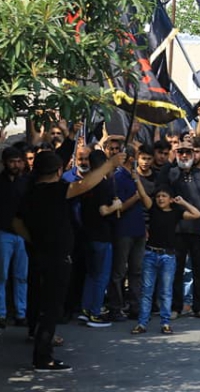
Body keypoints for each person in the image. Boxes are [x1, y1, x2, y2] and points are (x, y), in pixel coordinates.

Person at [14, 150, 123, 372]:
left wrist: (34, 240)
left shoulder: (30, 192)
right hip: (57, 257)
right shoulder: (56, 190)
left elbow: (16, 222)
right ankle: (43, 358)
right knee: (52, 308)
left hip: (39, 254)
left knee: (42, 302)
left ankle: (41, 346)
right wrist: (109, 164)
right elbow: (84, 185)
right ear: (58, 170)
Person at [157, 140, 200, 320]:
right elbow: (160, 189)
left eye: (188, 153)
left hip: (199, 230)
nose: (184, 156)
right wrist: (171, 160)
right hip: (177, 229)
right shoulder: (171, 173)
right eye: (181, 152)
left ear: (194, 155)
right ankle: (176, 307)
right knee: (176, 270)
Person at [132, 186, 200, 335]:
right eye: (158, 196)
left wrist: (182, 202)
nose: (160, 199)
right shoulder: (153, 209)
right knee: (146, 291)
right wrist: (136, 179)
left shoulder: (176, 212)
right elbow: (143, 195)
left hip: (168, 256)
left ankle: (165, 323)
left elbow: (197, 214)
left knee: (166, 291)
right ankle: (142, 323)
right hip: (150, 254)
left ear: (171, 199)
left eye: (164, 196)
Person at [79, 150, 123, 328]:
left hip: (88, 234)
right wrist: (116, 206)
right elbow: (103, 210)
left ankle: (85, 309)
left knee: (91, 274)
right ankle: (95, 313)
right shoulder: (102, 185)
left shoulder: (86, 183)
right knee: (101, 276)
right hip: (102, 236)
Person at [108, 146, 147, 322]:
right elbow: (119, 208)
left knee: (136, 270)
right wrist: (135, 197)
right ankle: (115, 307)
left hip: (138, 229)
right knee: (119, 271)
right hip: (123, 230)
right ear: (131, 158)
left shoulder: (134, 177)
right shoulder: (118, 178)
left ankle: (135, 306)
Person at [0, 147, 29, 328]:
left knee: (21, 276)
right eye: (12, 161)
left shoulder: (26, 182)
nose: (16, 165)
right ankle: (1, 313)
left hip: (23, 235)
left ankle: (21, 312)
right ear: (5, 163)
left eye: (19, 161)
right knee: (1, 276)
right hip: (4, 233)